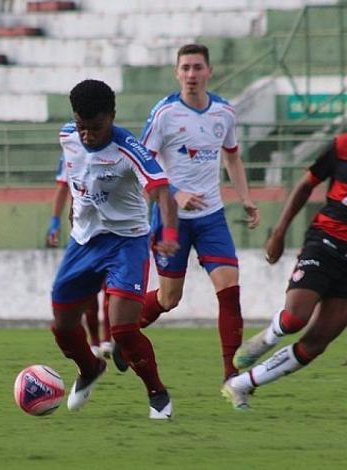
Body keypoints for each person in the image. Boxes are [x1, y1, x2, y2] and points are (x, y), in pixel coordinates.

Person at [221, 84, 347, 410]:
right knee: (295, 318)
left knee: (317, 343)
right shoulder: (342, 147)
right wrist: (279, 231)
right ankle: (270, 336)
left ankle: (242, 384)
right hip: (325, 246)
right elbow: (305, 185)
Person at [50, 79, 180, 419]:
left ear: (111, 117)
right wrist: (71, 213)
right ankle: (90, 368)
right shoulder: (68, 138)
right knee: (62, 324)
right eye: (82, 126)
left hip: (126, 242)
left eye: (95, 127)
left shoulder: (128, 149)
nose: (87, 135)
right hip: (83, 243)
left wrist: (167, 231)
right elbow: (78, 179)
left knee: (122, 328)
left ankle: (158, 394)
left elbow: (163, 191)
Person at [134, 44, 261, 383]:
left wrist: (245, 197)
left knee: (229, 288)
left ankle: (231, 377)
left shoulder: (224, 113)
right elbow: (142, 164)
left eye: (197, 67)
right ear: (177, 73)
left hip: (211, 218)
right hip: (170, 217)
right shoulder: (164, 114)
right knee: (168, 298)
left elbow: (232, 157)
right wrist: (175, 193)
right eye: (185, 68)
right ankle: (126, 333)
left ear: (209, 71)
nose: (191, 75)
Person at [46, 159, 113, 357]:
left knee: (112, 287)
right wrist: (55, 223)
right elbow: (62, 187)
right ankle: (94, 343)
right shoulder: (70, 150)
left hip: (115, 231)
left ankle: (108, 339)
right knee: (88, 291)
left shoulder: (116, 148)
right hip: (84, 232)